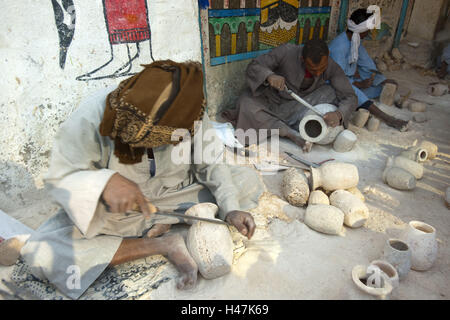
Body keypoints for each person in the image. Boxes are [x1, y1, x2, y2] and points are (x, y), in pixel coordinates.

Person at [19, 60, 264, 299]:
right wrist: (104, 182)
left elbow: (210, 162)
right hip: (119, 211)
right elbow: (63, 178)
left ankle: (165, 221)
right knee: (42, 251)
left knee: (246, 180)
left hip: (177, 194)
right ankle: (164, 244)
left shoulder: (190, 110)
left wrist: (231, 208)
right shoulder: (92, 115)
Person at [222, 39, 358, 152]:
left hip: (300, 106)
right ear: (302, 59)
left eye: (321, 68)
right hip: (271, 101)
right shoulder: (286, 51)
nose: (317, 73)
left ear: (328, 56)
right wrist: (269, 76)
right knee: (245, 102)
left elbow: (350, 96)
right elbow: (254, 66)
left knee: (330, 92)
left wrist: (339, 115)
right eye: (312, 69)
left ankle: (286, 126)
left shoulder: (331, 66)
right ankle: (288, 132)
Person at [328, 8, 409, 132]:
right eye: (368, 29)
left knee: (378, 85)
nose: (370, 31)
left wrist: (379, 79)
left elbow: (365, 63)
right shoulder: (338, 47)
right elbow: (338, 79)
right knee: (355, 92)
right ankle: (388, 119)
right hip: (335, 84)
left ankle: (365, 100)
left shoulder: (355, 40)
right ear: (361, 30)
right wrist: (359, 84)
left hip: (350, 79)